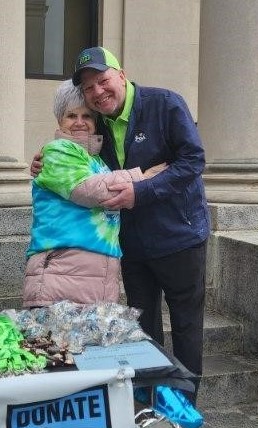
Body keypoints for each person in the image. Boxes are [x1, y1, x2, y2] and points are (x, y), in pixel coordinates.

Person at [31, 47, 210, 400]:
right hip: (132, 244)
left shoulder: (165, 104)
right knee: (144, 327)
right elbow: (83, 167)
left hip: (180, 238)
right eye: (88, 88)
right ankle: (153, 399)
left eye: (103, 80)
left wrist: (140, 191)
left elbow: (193, 161)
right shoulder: (99, 124)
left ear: (121, 75)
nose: (97, 92)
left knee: (187, 327)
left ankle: (185, 406)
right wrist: (45, 157)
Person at [23, 79, 166, 308]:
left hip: (100, 273)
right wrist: (146, 177)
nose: (80, 122)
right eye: (71, 116)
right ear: (59, 120)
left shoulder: (97, 159)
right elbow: (92, 190)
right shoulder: (57, 150)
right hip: (63, 270)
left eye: (87, 116)